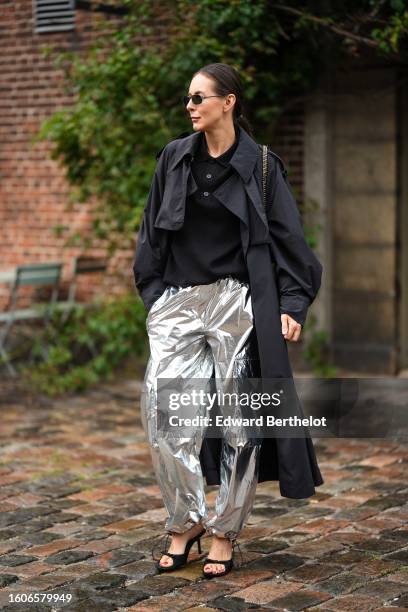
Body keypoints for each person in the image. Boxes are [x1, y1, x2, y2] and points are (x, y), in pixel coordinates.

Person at [133, 62, 324, 579]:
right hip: (177, 302)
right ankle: (185, 521)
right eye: (188, 99)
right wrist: (154, 298)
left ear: (229, 101)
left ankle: (224, 532)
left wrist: (291, 304)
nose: (190, 106)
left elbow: (290, 240)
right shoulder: (174, 159)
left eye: (199, 97)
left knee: (241, 425)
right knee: (166, 418)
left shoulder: (261, 165)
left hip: (238, 303)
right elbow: (151, 232)